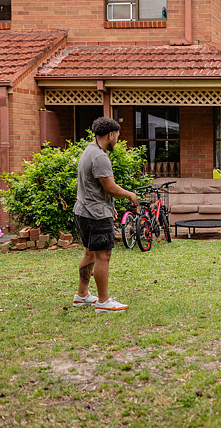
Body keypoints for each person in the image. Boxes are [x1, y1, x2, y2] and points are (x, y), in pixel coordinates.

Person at [72, 117, 138, 313]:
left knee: (90, 252)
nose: (118, 139)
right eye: (118, 135)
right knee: (104, 255)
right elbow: (110, 187)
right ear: (110, 134)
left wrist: (109, 206)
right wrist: (130, 195)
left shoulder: (89, 151)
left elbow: (94, 188)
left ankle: (82, 295)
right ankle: (103, 301)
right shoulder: (100, 157)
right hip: (95, 215)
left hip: (83, 210)